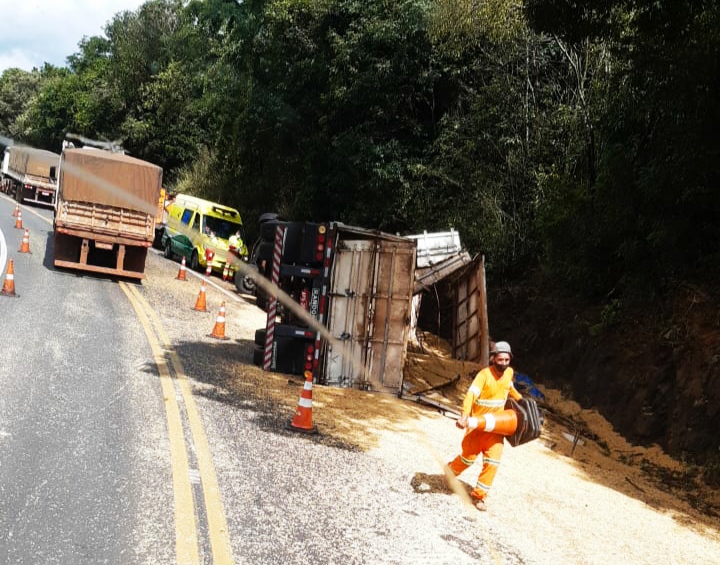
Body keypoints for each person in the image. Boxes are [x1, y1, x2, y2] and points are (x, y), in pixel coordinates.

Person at [446, 341, 522, 511]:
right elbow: (470, 395)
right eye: (500, 359)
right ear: (493, 358)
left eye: (506, 360)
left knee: (492, 462)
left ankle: (479, 496)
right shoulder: (484, 375)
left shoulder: (509, 373)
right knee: (467, 459)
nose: (503, 363)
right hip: (477, 426)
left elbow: (511, 391)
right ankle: (450, 471)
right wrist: (464, 416)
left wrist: (524, 403)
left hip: (495, 429)